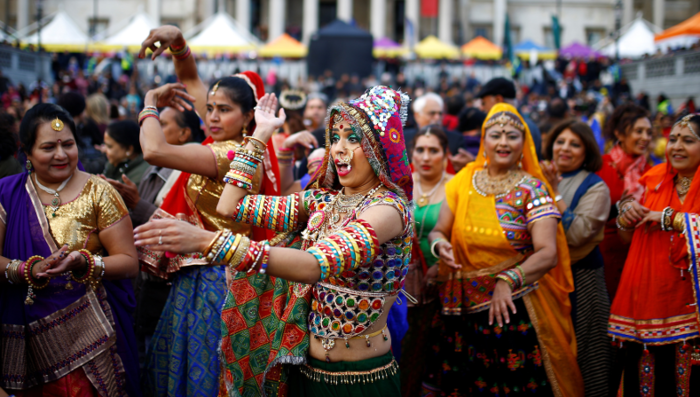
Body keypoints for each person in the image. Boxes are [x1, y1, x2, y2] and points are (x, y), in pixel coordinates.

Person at [133, 86, 414, 396]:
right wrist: (260, 134)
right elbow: (232, 206)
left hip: (361, 379)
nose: (339, 149)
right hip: (304, 372)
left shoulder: (388, 209)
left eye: (353, 139)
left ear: (377, 147)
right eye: (335, 138)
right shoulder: (322, 202)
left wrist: (211, 243)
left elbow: (315, 265)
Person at [135, 25, 280, 397]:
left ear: (249, 117)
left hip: (218, 282)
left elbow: (153, 150)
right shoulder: (233, 142)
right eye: (210, 109)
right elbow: (191, 80)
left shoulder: (227, 154)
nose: (211, 117)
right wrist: (178, 42)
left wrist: (151, 100)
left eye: (223, 110)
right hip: (204, 275)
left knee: (205, 373)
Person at [422, 104, 582, 397]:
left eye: (512, 136)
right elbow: (439, 230)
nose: (504, 142)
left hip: (512, 309)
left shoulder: (532, 189)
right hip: (461, 309)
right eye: (496, 135)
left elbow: (547, 253)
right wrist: (439, 245)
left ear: (525, 144)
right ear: (484, 141)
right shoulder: (464, 181)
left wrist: (508, 281)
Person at [0, 103, 140, 396]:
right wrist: (28, 269)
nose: (61, 154)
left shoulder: (100, 191)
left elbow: (129, 262)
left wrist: (84, 262)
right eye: (49, 147)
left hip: (92, 332)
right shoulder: (7, 193)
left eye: (68, 144)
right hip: (29, 333)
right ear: (26, 152)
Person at [103, 105, 204, 368]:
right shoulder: (152, 167)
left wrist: (138, 204)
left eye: (162, 125)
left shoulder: (193, 173)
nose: (150, 130)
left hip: (169, 289)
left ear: (183, 134)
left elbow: (190, 233)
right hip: (145, 286)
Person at [609, 114, 700, 394]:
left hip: (689, 305)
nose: (676, 147)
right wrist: (626, 216)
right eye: (672, 139)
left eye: (688, 140)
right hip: (648, 299)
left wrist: (670, 218)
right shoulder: (654, 180)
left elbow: (666, 219)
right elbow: (628, 238)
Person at [541, 120, 611, 397]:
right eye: (560, 142)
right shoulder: (538, 177)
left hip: (582, 282)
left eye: (574, 144)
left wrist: (554, 191)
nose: (565, 149)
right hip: (546, 280)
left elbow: (576, 235)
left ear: (587, 151)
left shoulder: (596, 188)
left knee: (586, 351)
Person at [401, 126, 452, 397]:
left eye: (434, 150)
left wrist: (441, 267)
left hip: (442, 284)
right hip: (402, 285)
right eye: (420, 149)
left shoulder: (455, 187)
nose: (425, 156)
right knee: (404, 348)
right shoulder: (402, 183)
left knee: (433, 353)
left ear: (446, 154)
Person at [597, 103, 652, 300]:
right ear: (620, 134)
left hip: (639, 258)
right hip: (602, 258)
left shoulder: (652, 173)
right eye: (639, 131)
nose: (645, 138)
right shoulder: (600, 167)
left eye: (648, 132)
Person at [477, 77, 542, 157]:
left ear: (498, 100)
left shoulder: (524, 127)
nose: (482, 108)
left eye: (512, 137)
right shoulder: (527, 124)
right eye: (495, 137)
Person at [102, 120, 150, 187]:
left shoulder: (139, 177)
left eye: (109, 146)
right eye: (105, 145)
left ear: (129, 149)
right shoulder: (117, 163)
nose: (104, 150)